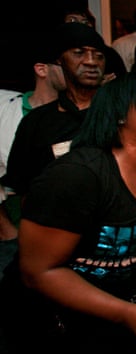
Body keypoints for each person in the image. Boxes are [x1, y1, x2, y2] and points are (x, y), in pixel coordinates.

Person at [0, 72, 136, 354]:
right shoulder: (76, 176)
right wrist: (123, 312)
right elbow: (38, 271)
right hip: (58, 324)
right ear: (118, 115)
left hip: (127, 312)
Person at [1, 22, 107, 198]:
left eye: (99, 56)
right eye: (79, 53)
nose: (91, 61)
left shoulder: (120, 113)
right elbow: (22, 188)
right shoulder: (36, 122)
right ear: (60, 60)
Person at [0, 37, 67, 279]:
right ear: (42, 69)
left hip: (62, 236)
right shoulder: (5, 108)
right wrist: (9, 232)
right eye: (64, 62)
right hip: (15, 230)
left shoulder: (79, 116)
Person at [60, 6, 127, 85]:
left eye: (85, 22)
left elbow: (123, 83)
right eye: (72, 20)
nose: (80, 25)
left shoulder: (108, 53)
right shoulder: (55, 52)